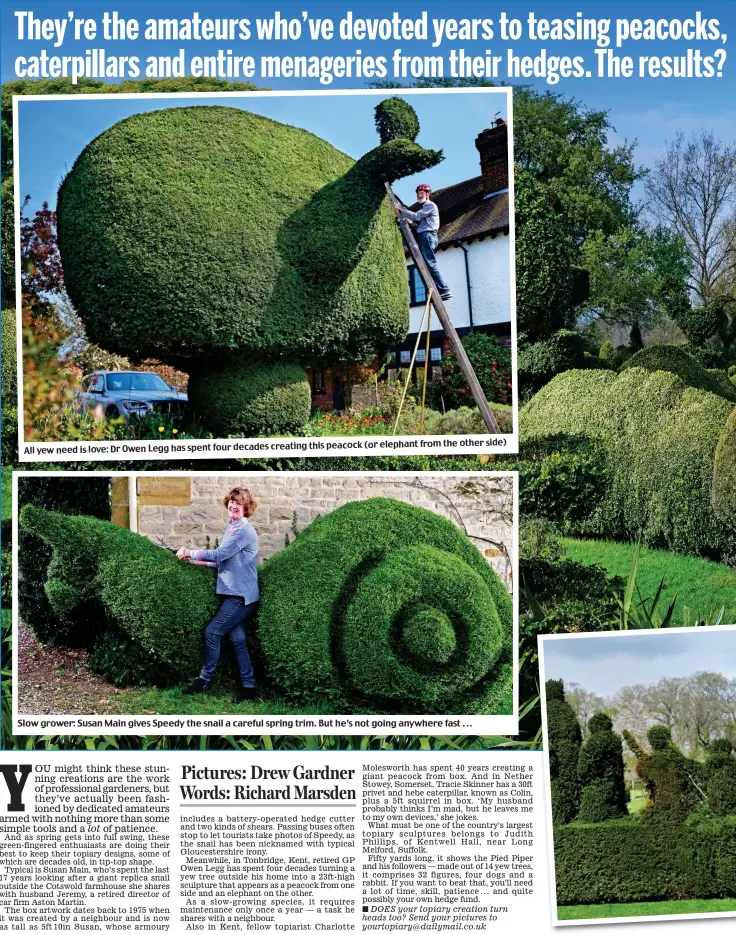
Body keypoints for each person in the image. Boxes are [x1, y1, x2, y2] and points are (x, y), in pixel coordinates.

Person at [177, 486, 259, 704]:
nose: (233, 505)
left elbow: (222, 553)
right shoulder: (231, 528)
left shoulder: (244, 531)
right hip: (234, 593)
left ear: (246, 508)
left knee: (213, 633)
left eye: (239, 503)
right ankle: (249, 688)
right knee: (237, 639)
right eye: (231, 502)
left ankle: (203, 681)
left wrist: (189, 551)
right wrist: (198, 561)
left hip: (240, 596)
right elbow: (225, 559)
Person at [395, 183, 452, 300]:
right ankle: (439, 290)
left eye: (422, 193)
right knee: (427, 264)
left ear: (428, 194)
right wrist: (411, 223)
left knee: (430, 263)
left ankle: (444, 289)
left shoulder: (430, 205)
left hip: (427, 236)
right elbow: (421, 224)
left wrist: (402, 209)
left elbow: (417, 216)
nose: (419, 196)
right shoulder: (425, 208)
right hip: (426, 235)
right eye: (418, 194)